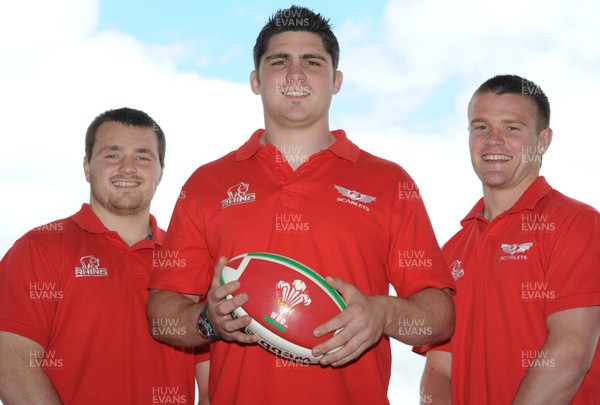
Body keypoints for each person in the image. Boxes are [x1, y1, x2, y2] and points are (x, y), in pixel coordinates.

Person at [146, 6, 455, 405]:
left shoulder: (389, 183)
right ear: (256, 80)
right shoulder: (207, 185)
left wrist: (383, 314)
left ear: (336, 80)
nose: (295, 75)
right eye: (280, 61)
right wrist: (208, 320)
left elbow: (440, 315)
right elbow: (161, 315)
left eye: (312, 61)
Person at [418, 75, 600, 404]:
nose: (493, 141)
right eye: (481, 127)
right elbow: (440, 371)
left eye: (512, 128)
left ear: (542, 141)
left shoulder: (578, 224)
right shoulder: (450, 252)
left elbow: (571, 352)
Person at [0, 108, 197, 404]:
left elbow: (213, 385)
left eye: (143, 157)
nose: (128, 168)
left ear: (161, 171)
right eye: (112, 155)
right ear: (87, 167)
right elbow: (11, 363)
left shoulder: (189, 258)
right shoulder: (38, 248)